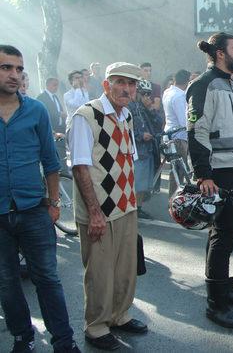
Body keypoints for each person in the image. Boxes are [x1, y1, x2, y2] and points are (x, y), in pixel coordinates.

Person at [0, 45, 81, 353]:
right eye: (7, 67)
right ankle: (23, 338)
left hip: (34, 209)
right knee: (6, 283)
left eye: (19, 69)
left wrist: (55, 203)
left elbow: (50, 161)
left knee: (47, 279)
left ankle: (63, 341)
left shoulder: (35, 110)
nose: (15, 75)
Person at [69, 62, 147, 350]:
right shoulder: (86, 116)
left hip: (125, 206)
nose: (127, 89)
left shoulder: (126, 116)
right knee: (100, 272)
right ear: (106, 85)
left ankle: (119, 315)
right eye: (120, 82)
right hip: (99, 211)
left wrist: (133, 201)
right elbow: (80, 167)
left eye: (132, 84)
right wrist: (93, 213)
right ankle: (97, 326)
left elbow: (127, 162)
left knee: (125, 269)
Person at [187, 32, 233, 329]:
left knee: (227, 233)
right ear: (220, 53)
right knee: (222, 234)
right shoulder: (203, 85)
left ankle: (223, 286)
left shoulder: (231, 85)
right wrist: (203, 174)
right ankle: (216, 304)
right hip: (219, 172)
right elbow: (196, 130)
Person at [129, 80, 162, 209]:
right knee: (139, 183)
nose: (147, 97)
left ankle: (140, 207)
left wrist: (150, 108)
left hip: (149, 149)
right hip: (139, 150)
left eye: (148, 94)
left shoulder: (144, 108)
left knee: (146, 183)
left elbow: (158, 122)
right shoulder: (130, 107)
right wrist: (140, 135)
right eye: (144, 94)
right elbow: (129, 128)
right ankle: (135, 209)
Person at [162, 69, 191, 194]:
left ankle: (173, 199)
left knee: (175, 172)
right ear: (187, 82)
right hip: (178, 137)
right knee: (179, 173)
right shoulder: (179, 96)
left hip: (169, 135)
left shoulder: (167, 91)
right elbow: (184, 121)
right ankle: (174, 201)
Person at [37, 77, 68, 172]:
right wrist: (59, 114)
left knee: (62, 150)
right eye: (54, 85)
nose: (56, 87)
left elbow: (59, 109)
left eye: (57, 85)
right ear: (48, 85)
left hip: (60, 128)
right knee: (53, 151)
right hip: (51, 129)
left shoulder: (55, 97)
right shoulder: (41, 97)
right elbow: (44, 113)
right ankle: (58, 170)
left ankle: (64, 171)